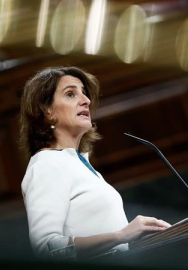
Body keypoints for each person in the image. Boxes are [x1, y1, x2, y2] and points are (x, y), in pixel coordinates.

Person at [19, 66, 170, 259]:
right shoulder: (46, 165)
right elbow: (47, 249)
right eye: (71, 94)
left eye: (84, 93)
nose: (86, 100)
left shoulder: (79, 163)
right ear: (47, 110)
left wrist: (135, 238)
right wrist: (122, 235)